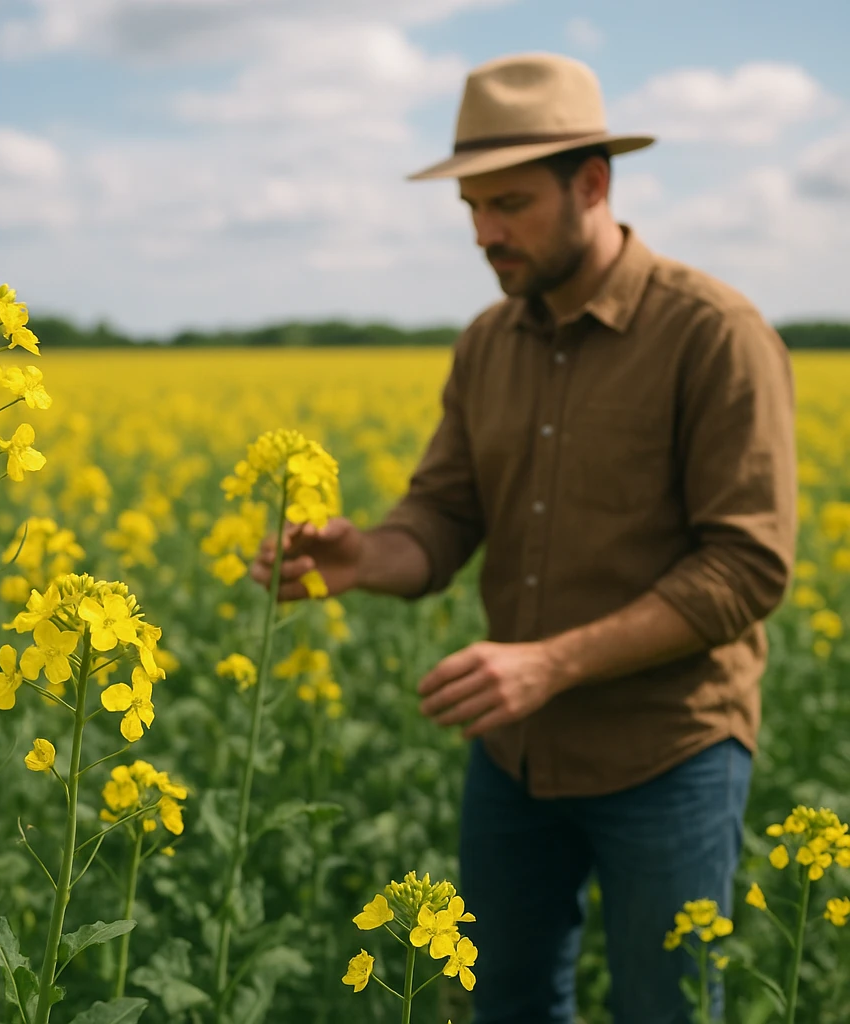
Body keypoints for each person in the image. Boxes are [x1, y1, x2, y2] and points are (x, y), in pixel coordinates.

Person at [249, 52, 798, 1024]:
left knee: (661, 1007)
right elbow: (444, 514)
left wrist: (550, 662)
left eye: (508, 203)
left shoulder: (713, 333)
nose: (483, 233)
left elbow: (746, 567)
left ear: (592, 183)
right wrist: (365, 557)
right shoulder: (486, 341)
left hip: (668, 751)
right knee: (504, 997)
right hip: (513, 753)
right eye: (470, 206)